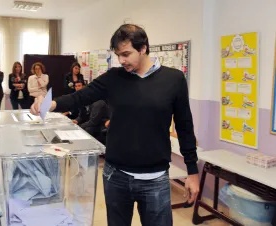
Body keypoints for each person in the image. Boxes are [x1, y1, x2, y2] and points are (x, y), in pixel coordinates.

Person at [31, 24, 199, 226]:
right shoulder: (114, 78)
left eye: (126, 54)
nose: (121, 60)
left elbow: (185, 126)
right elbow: (81, 96)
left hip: (155, 179)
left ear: (143, 48)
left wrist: (192, 171)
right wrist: (50, 103)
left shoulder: (173, 79)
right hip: (116, 176)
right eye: (118, 54)